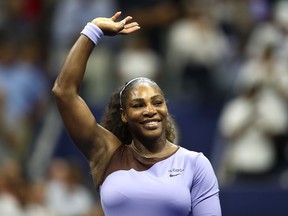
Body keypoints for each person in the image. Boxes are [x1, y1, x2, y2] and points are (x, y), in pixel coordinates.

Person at [52, 11, 221, 216]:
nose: (150, 110)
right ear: (124, 115)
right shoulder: (107, 154)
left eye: (157, 102)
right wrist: (94, 28)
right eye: (138, 105)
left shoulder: (195, 164)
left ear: (165, 108)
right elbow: (64, 92)